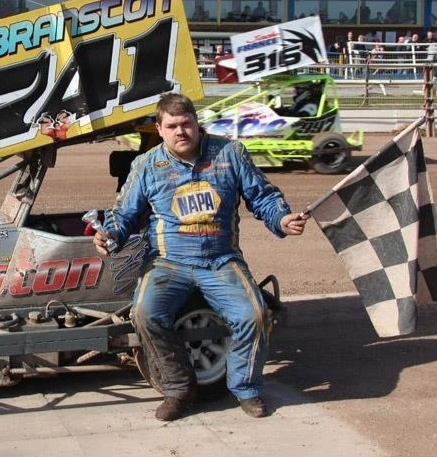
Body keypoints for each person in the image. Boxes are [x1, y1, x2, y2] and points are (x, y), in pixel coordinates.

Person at [91, 92, 308, 421]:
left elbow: (262, 195)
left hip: (222, 261)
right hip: (167, 263)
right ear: (160, 130)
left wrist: (281, 218)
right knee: (144, 314)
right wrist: (110, 235)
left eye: (186, 124)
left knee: (255, 315)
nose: (181, 131)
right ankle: (179, 389)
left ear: (197, 124)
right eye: (172, 126)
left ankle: (245, 389)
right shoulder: (146, 165)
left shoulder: (230, 153)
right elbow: (123, 215)